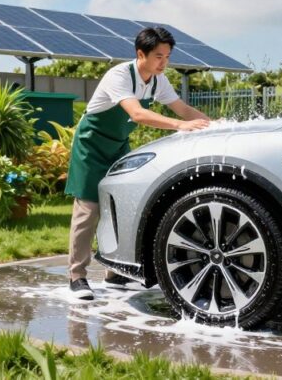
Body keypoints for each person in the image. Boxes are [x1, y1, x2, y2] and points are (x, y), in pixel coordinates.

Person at [66, 26, 210, 300]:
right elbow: (137, 113)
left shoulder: (158, 80)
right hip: (91, 146)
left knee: (119, 207)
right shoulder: (118, 75)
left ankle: (114, 271)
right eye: (158, 56)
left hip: (119, 144)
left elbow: (183, 109)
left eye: (167, 56)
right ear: (140, 54)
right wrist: (181, 126)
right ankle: (77, 276)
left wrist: (214, 125)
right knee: (89, 210)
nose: (164, 62)